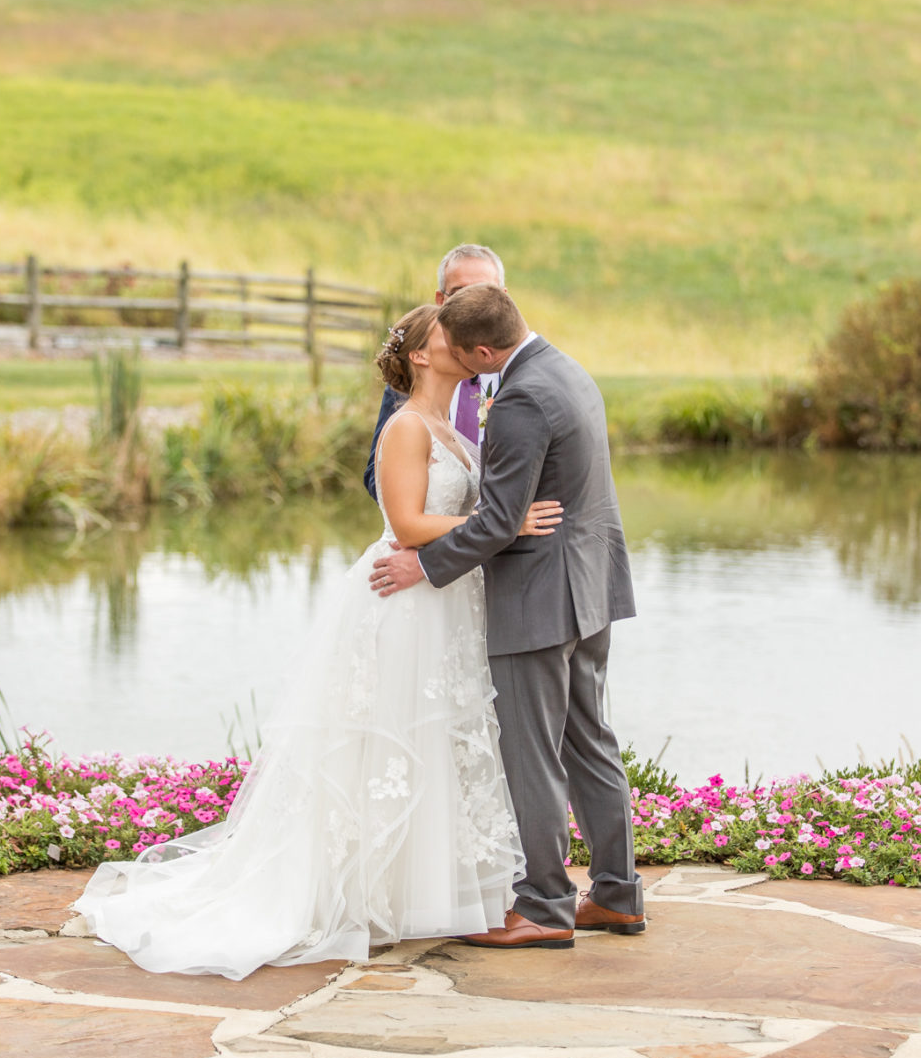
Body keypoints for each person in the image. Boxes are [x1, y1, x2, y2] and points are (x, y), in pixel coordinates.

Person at [72, 304, 567, 979]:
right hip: (405, 598)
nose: (461, 340)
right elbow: (408, 522)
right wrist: (503, 525)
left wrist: (499, 519)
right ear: (422, 355)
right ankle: (354, 890)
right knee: (388, 738)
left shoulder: (457, 429)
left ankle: (422, 891)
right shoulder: (404, 428)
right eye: (446, 333)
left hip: (448, 602)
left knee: (440, 738)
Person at [369, 284, 643, 949]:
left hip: (539, 599)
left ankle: (547, 905)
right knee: (588, 741)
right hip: (588, 588)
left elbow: (497, 523)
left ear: (486, 349)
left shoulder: (520, 396)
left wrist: (424, 566)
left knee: (532, 756)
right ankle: (616, 894)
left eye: (469, 358)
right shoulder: (565, 368)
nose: (466, 370)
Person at [363, 244, 507, 500]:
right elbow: (376, 475)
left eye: (485, 293)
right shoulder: (411, 381)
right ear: (441, 301)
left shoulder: (516, 373)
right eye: (461, 294)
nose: (474, 307)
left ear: (503, 299)